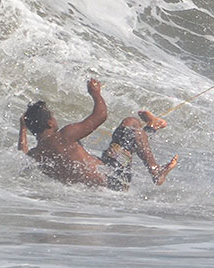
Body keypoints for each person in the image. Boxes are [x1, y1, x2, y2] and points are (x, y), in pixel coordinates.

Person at [18, 78, 178, 190]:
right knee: (130, 123)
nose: (54, 117)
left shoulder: (36, 155)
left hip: (104, 188)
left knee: (124, 142)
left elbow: (22, 154)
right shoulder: (64, 135)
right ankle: (155, 171)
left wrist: (23, 129)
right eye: (52, 115)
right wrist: (95, 93)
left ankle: (152, 126)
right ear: (50, 123)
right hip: (115, 180)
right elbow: (101, 115)